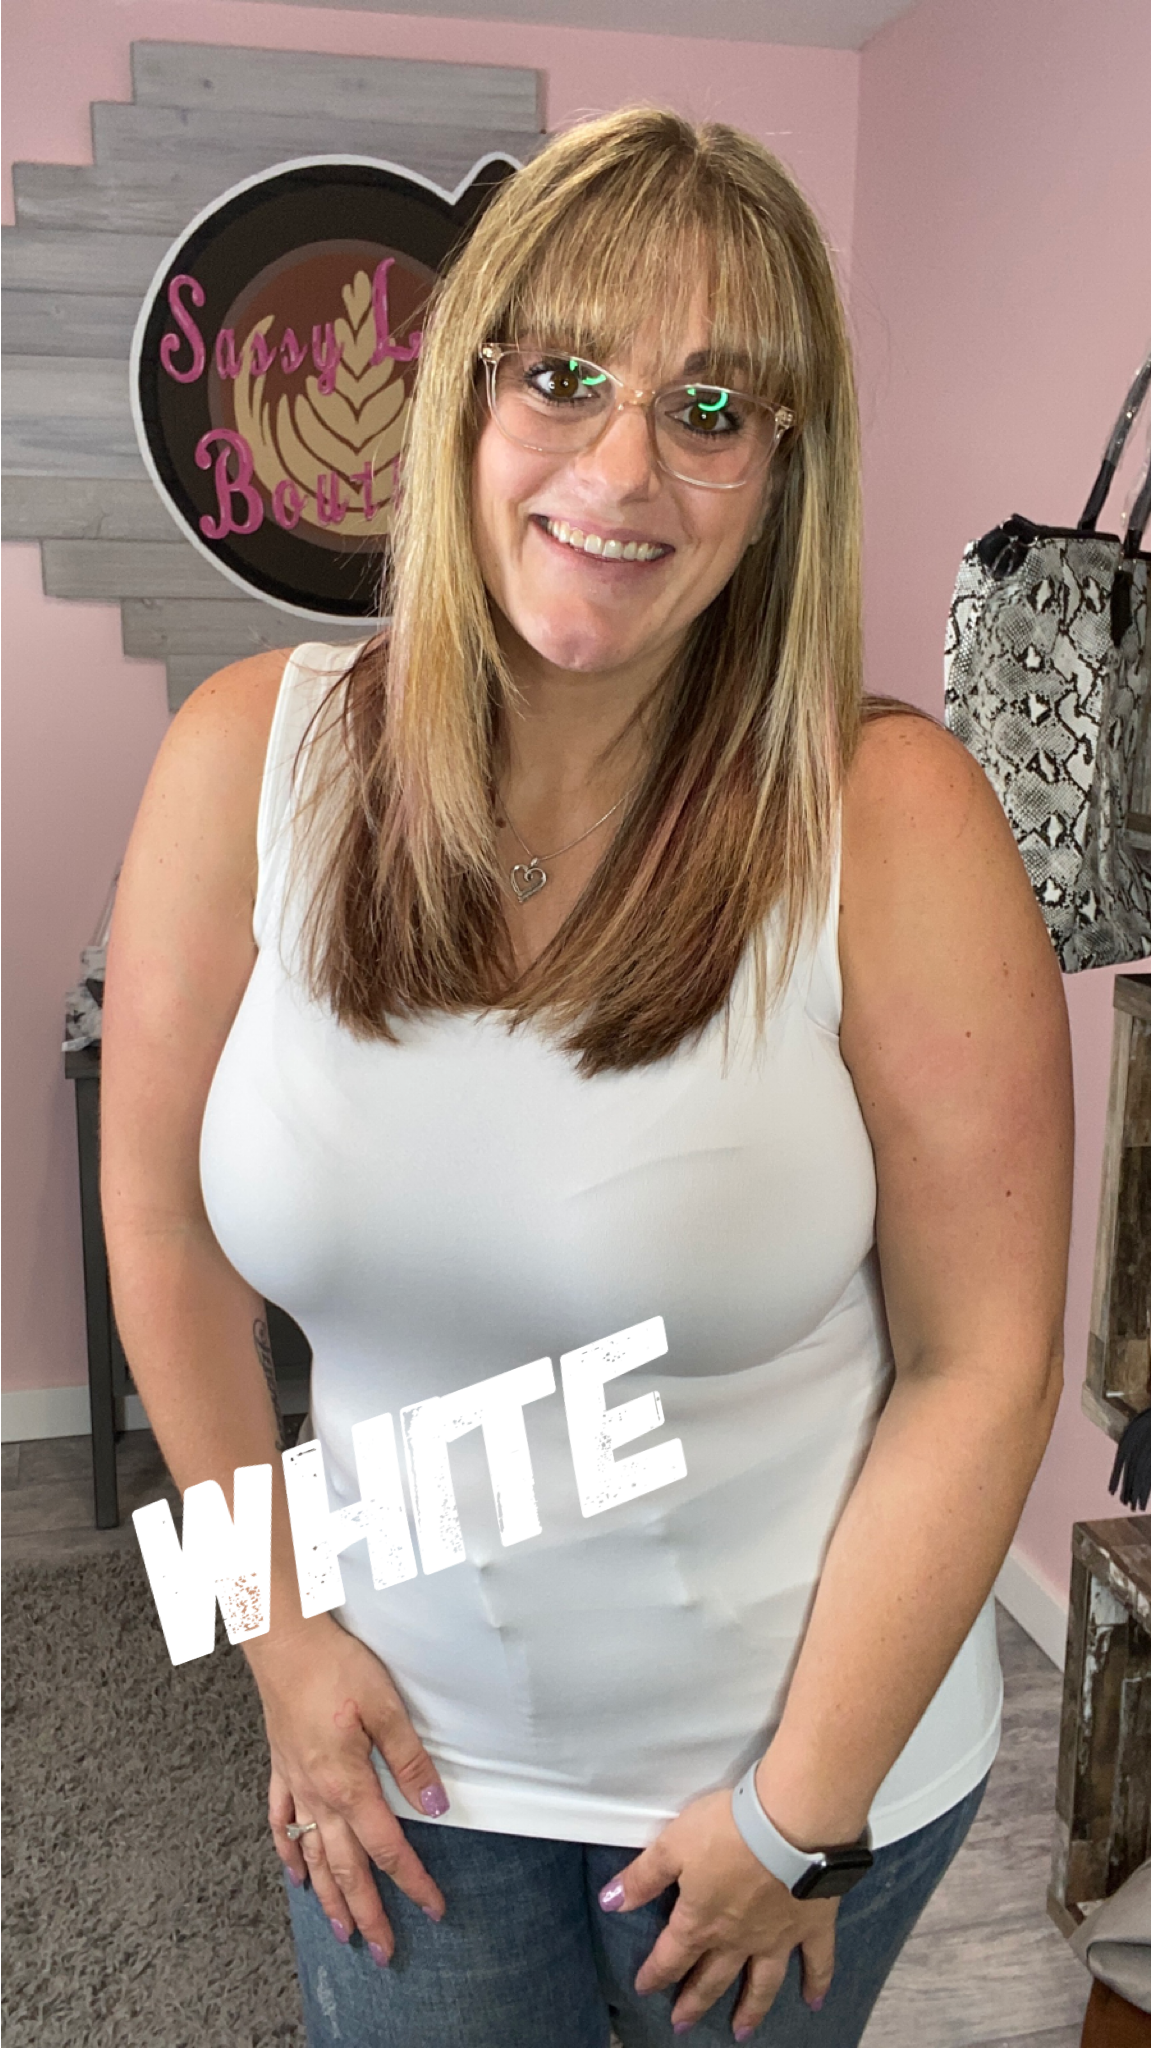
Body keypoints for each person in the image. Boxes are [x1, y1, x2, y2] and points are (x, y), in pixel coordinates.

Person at [101, 108, 1072, 2047]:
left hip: (794, 1765)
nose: (621, 471)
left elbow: (985, 1363)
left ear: (778, 473)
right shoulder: (246, 760)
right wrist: (277, 1645)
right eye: (563, 378)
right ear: (465, 398)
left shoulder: (891, 819)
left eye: (710, 409)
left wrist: (799, 1814)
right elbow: (162, 1231)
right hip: (399, 1756)